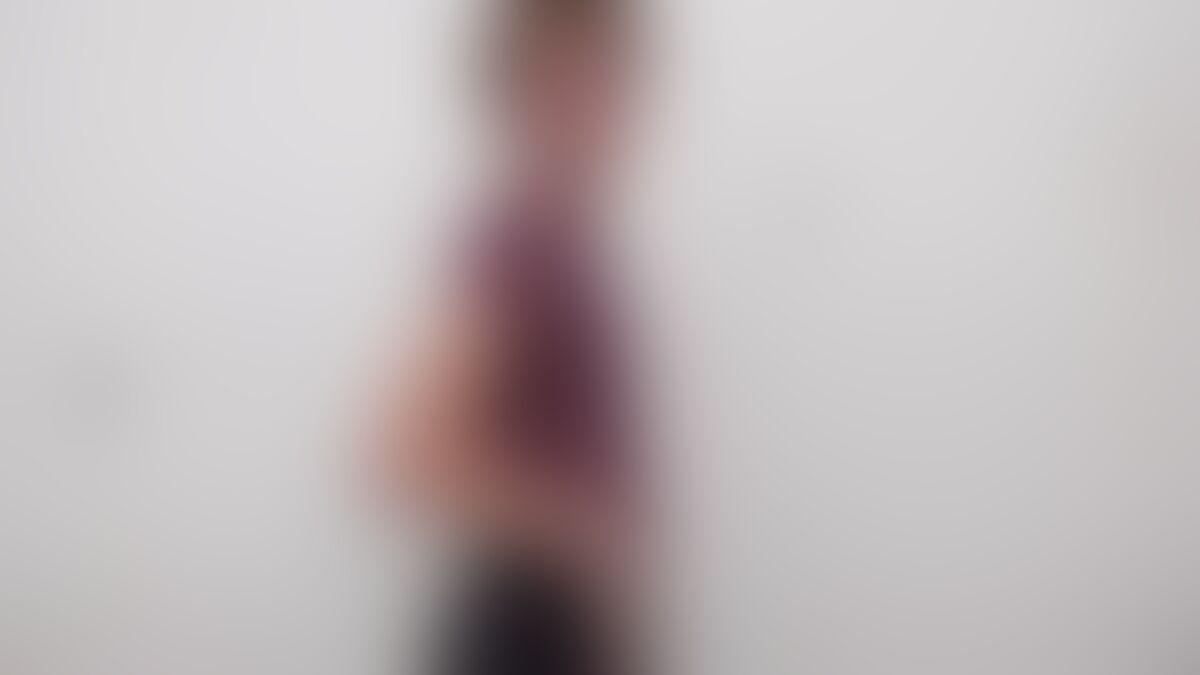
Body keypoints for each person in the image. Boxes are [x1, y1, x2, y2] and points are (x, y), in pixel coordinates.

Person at [377, 1, 647, 672]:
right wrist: (578, 532)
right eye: (568, 84)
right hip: (525, 625)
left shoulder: (564, 241)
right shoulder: (522, 244)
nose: (600, 107)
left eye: (606, 79)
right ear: (515, 99)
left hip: (550, 618)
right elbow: (406, 448)